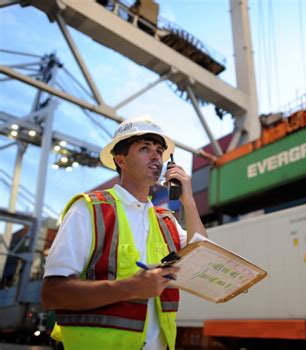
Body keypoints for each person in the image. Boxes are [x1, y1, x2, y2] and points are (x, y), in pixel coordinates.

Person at [41, 116, 207, 350]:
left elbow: (203, 257)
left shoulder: (166, 221)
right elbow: (52, 294)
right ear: (121, 160)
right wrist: (129, 288)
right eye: (144, 148)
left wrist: (188, 200)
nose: (155, 157)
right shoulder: (89, 210)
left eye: (159, 151)